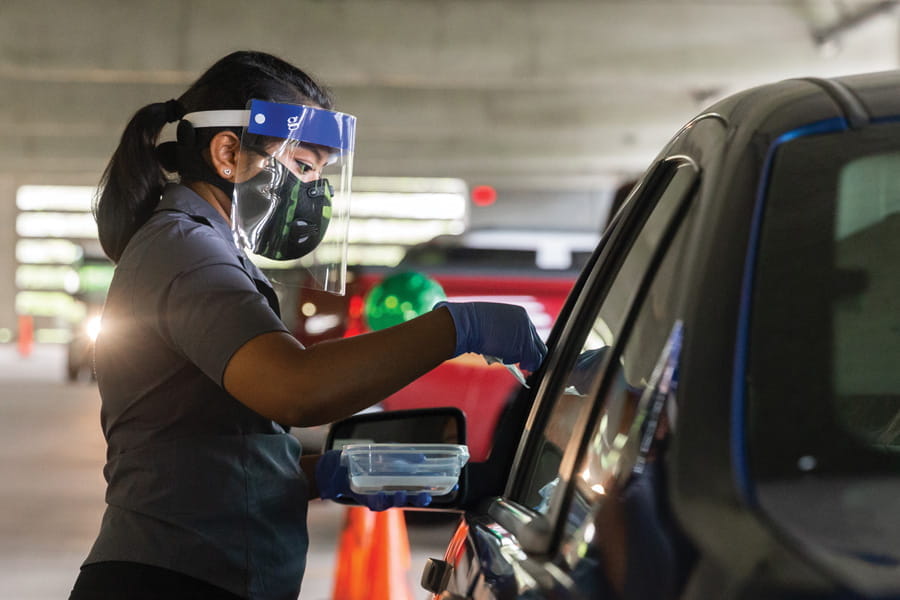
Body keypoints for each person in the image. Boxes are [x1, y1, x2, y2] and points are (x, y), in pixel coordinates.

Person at [68, 50, 546, 600]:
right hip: (168, 580)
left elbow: (201, 448)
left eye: (320, 172)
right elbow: (295, 390)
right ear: (228, 153)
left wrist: (320, 472)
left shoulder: (208, 248)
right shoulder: (186, 249)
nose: (316, 190)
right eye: (303, 167)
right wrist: (456, 328)